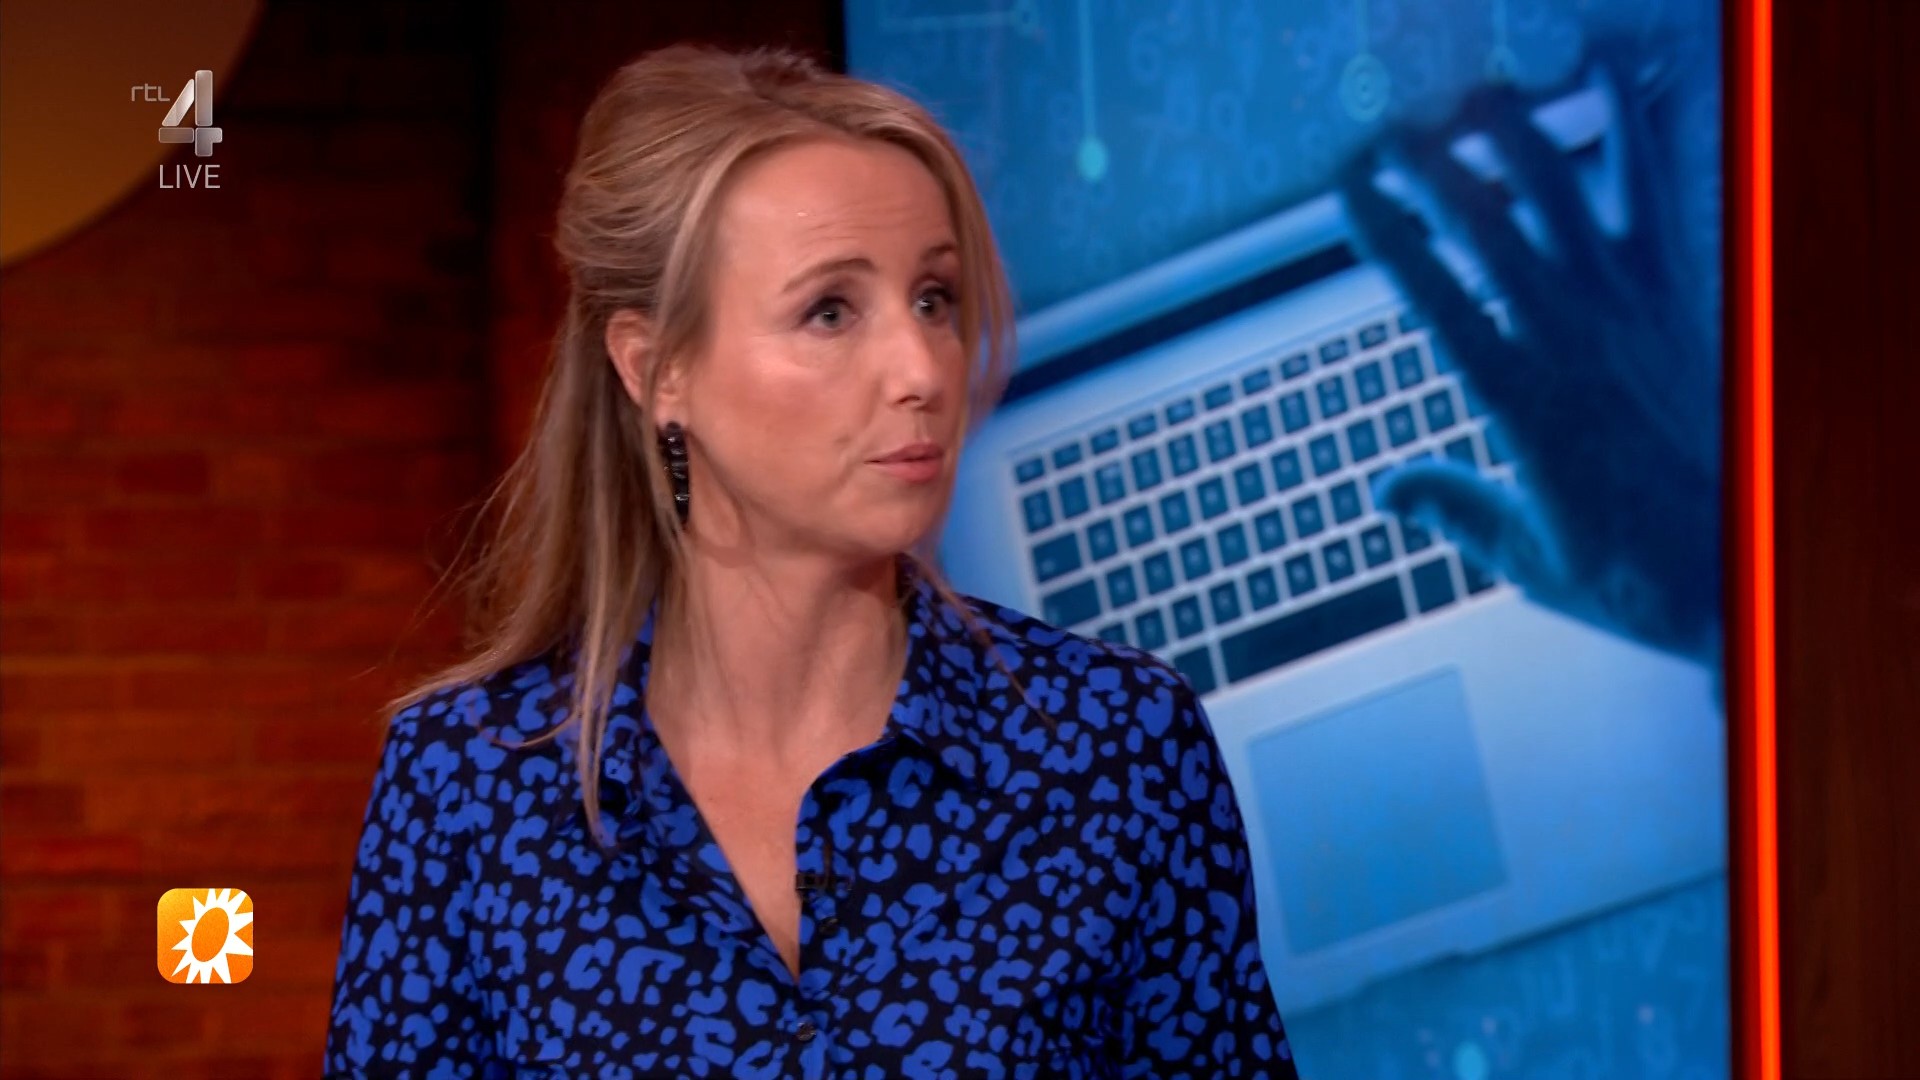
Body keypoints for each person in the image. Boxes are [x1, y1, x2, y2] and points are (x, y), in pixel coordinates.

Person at [323, 44, 1298, 1078]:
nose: (922, 370)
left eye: (935, 299)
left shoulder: (1116, 747)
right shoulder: (469, 784)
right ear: (657, 370)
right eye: (830, 311)